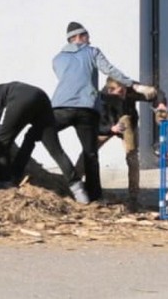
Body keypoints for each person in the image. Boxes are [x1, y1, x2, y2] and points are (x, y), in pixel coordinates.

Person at [51, 21, 155, 204]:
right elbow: (110, 69)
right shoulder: (92, 56)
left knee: (44, 135)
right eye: (87, 36)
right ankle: (85, 192)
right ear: (79, 37)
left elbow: (155, 95)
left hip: (64, 108)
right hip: (96, 118)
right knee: (90, 154)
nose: (89, 40)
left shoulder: (57, 59)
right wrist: (134, 84)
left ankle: (132, 195)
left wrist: (159, 104)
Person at [74, 77, 168, 208]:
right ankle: (74, 183)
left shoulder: (130, 90)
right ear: (110, 90)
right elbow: (94, 124)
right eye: (120, 92)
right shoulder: (100, 99)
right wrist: (111, 129)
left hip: (127, 126)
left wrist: (160, 104)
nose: (123, 95)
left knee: (132, 157)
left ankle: (133, 196)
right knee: (88, 152)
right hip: (107, 126)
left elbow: (157, 93)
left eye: (124, 90)